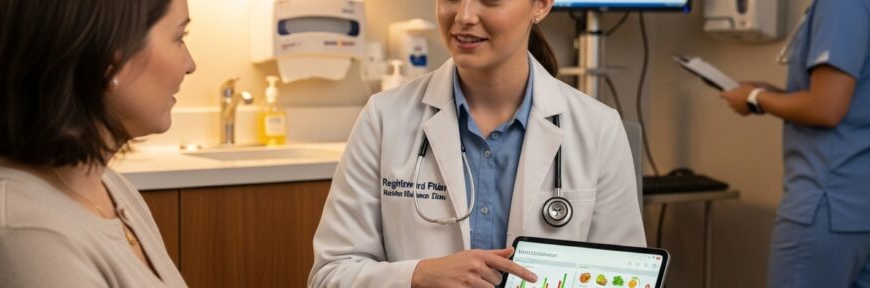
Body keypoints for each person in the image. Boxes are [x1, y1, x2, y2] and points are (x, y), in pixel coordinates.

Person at [308, 0, 645, 287]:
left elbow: (625, 277)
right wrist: (419, 275)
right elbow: (329, 274)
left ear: (541, 5)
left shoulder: (599, 128)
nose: (465, 15)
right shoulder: (384, 118)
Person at [0, 0, 195, 286]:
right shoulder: (24, 244)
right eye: (179, 37)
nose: (190, 65)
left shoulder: (107, 187)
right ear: (109, 60)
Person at [717, 0, 870, 286]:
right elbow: (852, 99)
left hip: (827, 202)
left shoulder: (840, 5)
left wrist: (755, 98)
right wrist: (771, 95)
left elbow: (827, 108)